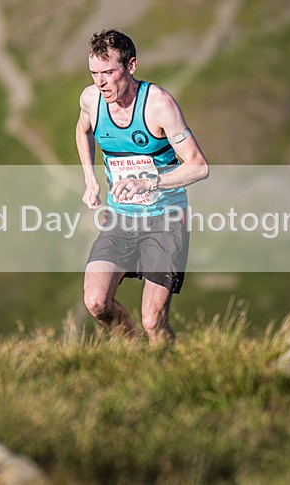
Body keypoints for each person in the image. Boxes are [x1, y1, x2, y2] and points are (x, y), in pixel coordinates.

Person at [75, 29, 209, 345]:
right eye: (94, 73)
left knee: (153, 320)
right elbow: (83, 131)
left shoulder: (159, 105)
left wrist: (149, 181)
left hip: (165, 221)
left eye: (108, 72)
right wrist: (90, 178)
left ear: (131, 66)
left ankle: (167, 370)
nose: (100, 82)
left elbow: (198, 166)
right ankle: (135, 353)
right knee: (95, 302)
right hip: (120, 219)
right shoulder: (91, 100)